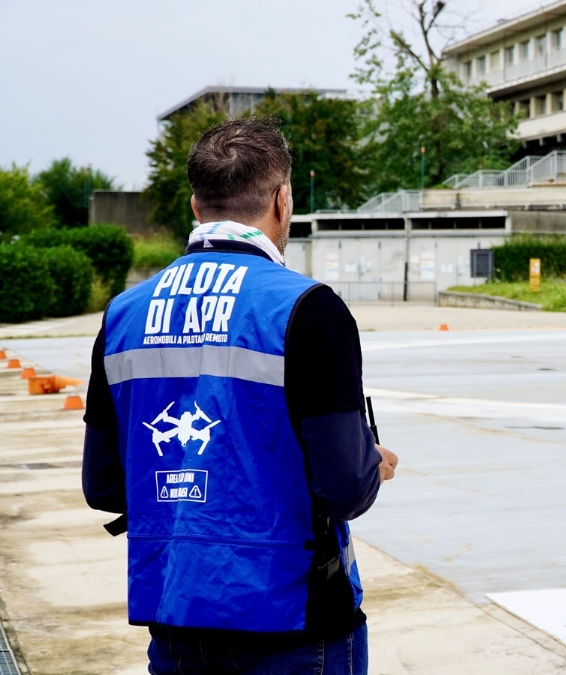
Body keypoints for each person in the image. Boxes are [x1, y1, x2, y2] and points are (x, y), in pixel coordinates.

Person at [81, 117, 399, 674]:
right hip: (292, 622)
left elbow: (104, 485)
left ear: (196, 206)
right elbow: (346, 488)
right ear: (282, 200)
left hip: (175, 614)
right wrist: (371, 463)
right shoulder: (309, 309)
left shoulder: (124, 314)